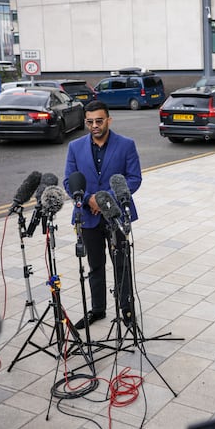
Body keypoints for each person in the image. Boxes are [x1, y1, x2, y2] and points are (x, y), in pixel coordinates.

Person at [64, 100, 142, 329]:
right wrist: (89, 199)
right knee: (95, 265)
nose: (95, 125)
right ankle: (97, 310)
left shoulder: (126, 145)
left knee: (122, 264)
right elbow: (69, 181)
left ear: (109, 120)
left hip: (116, 216)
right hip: (88, 216)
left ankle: (127, 312)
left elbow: (134, 178)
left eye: (99, 121)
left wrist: (104, 199)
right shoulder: (75, 147)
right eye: (90, 122)